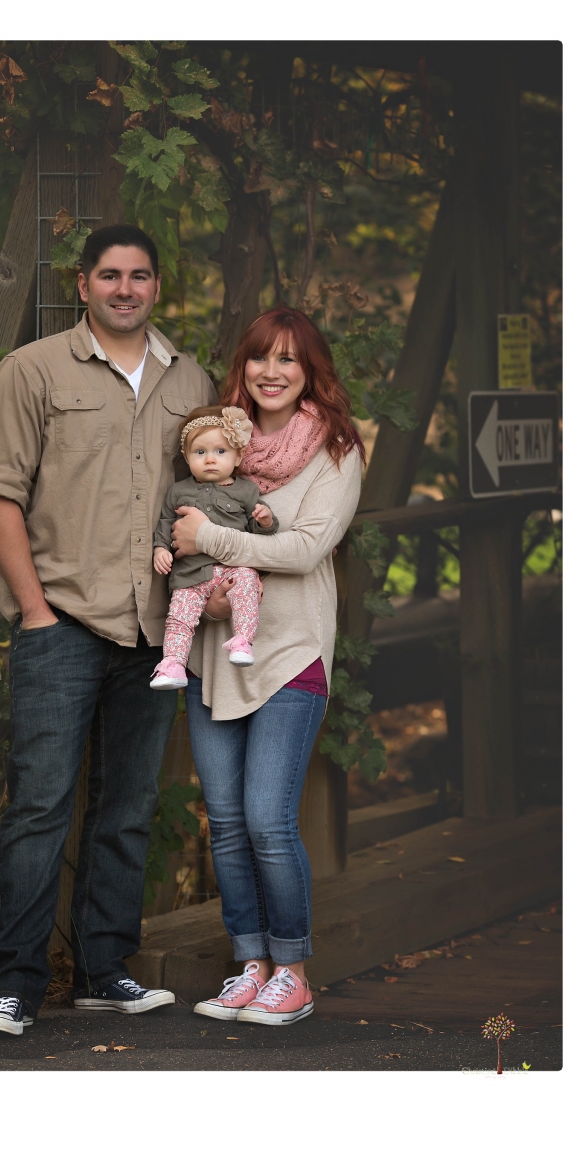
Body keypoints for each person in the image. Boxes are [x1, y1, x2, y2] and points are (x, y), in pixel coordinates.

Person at [0, 224, 217, 1034]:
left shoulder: (193, 381)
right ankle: (14, 984)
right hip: (64, 622)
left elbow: (210, 493)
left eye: (139, 276)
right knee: (40, 805)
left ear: (155, 287)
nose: (124, 289)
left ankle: (104, 970)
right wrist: (35, 611)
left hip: (156, 629)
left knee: (130, 805)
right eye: (109, 275)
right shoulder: (30, 371)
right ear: (83, 285)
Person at [169, 306, 365, 1026]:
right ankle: (249, 964)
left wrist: (215, 539)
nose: (272, 372)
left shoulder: (337, 451)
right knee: (223, 822)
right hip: (210, 656)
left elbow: (306, 549)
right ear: (242, 367)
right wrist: (204, 579)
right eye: (260, 358)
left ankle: (293, 971)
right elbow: (175, 535)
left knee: (267, 821)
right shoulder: (215, 443)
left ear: (310, 371)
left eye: (289, 359)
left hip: (290, 655)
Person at [150, 404, 279, 689]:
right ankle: (172, 664)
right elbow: (165, 522)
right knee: (179, 619)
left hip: (231, 570)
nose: (210, 459)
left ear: (237, 456)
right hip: (190, 576)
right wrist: (161, 549)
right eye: (200, 452)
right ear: (186, 456)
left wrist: (265, 520)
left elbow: (260, 531)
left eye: (220, 452)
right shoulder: (178, 490)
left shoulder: (246, 491)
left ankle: (243, 640)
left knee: (246, 583)